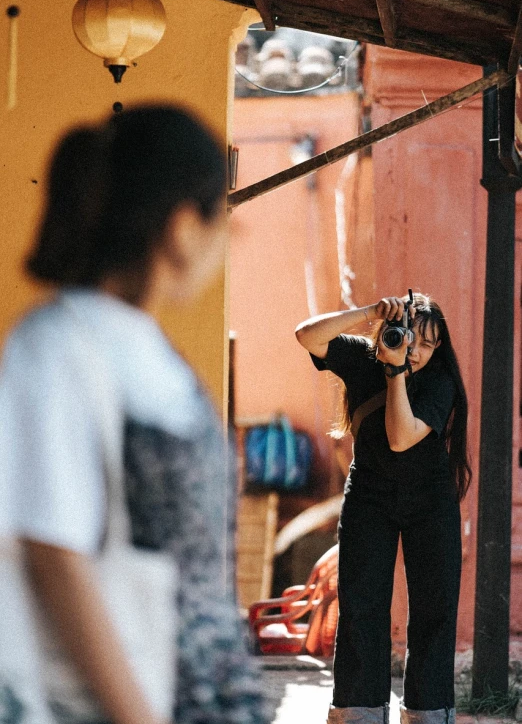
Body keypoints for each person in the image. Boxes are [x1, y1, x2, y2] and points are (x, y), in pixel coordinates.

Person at [0, 105, 271, 724]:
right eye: (222, 222)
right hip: (131, 701)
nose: (226, 244)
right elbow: (54, 554)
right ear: (181, 225)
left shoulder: (147, 348)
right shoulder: (56, 345)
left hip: (207, 693)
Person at [295, 294, 471, 724]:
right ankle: (358, 713)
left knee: (434, 610)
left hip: (430, 501)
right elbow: (306, 335)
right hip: (370, 497)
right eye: (412, 339)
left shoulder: (439, 381)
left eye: (429, 345)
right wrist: (370, 313)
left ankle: (428, 714)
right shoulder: (364, 358)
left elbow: (400, 437)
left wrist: (396, 373)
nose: (416, 351)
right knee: (361, 606)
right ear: (396, 332)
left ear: (438, 349)